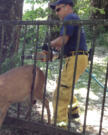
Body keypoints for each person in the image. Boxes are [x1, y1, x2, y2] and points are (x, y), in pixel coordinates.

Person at [46, 0, 89, 128]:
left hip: (76, 58)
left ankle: (60, 126)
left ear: (68, 7)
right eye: (55, 10)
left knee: (60, 91)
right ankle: (73, 111)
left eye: (58, 9)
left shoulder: (70, 17)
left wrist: (49, 44)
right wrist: (56, 53)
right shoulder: (73, 19)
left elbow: (63, 40)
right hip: (76, 57)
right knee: (65, 85)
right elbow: (67, 45)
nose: (57, 13)